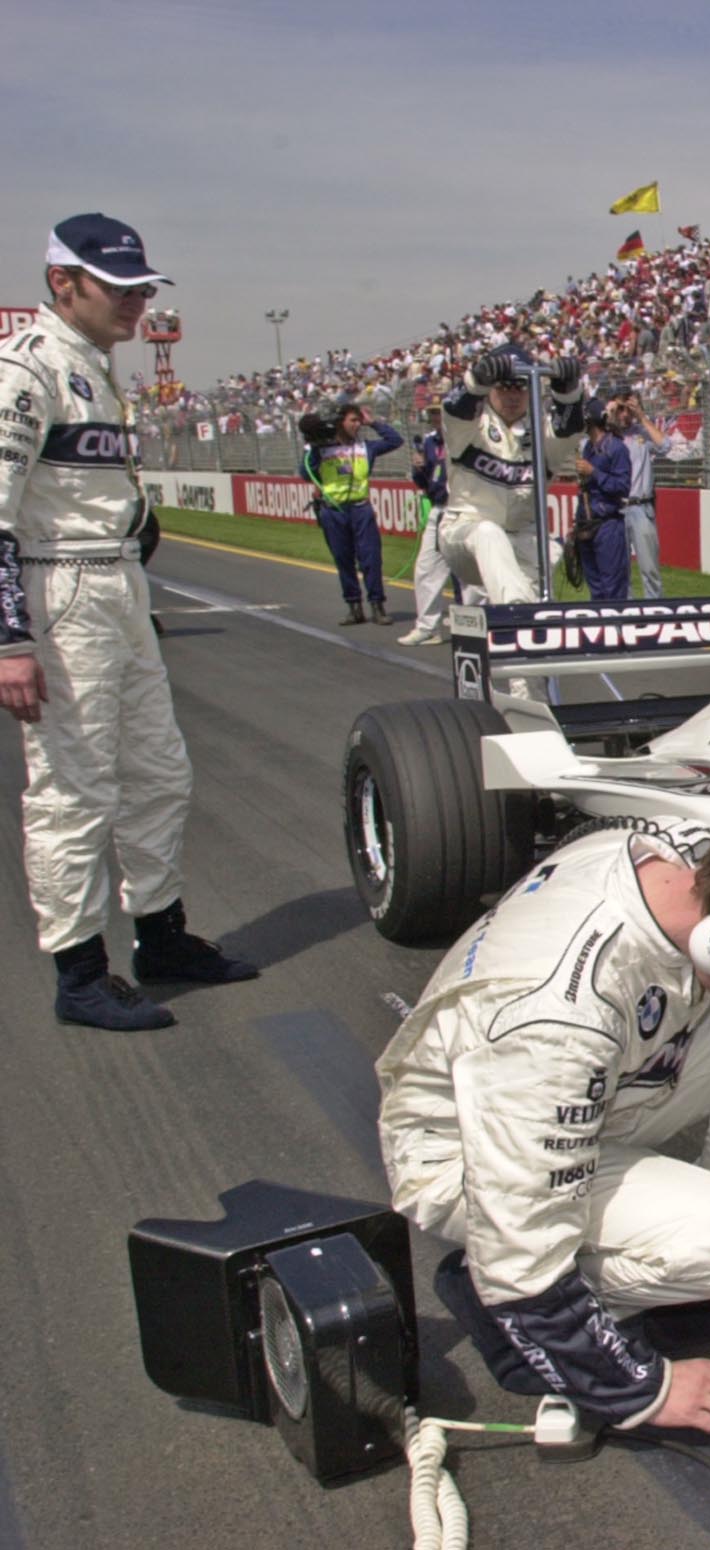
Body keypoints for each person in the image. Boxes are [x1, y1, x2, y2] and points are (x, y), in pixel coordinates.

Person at [377, 820, 710, 1432]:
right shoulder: (559, 1019)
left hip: (583, 1083)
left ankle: (691, 1281)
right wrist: (641, 1392)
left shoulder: (681, 868)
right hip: (468, 1151)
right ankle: (502, 1307)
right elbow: (522, 1252)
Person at [0, 213, 257, 1031]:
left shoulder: (97, 368)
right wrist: (9, 639)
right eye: (118, 287)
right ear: (62, 283)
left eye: (141, 287)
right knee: (74, 791)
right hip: (59, 588)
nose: (136, 302)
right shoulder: (27, 367)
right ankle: (80, 974)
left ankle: (161, 936)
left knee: (159, 772)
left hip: (115, 585)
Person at [439, 344, 586, 605]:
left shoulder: (540, 429)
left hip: (521, 537)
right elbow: (454, 410)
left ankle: (534, 627)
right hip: (465, 533)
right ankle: (517, 614)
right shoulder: (472, 426)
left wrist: (568, 391)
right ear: (490, 389)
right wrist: (478, 380)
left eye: (519, 386)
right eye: (503, 386)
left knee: (547, 558)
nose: (512, 395)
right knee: (488, 533)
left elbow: (569, 432)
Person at [301, 400, 402, 625]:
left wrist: (373, 422)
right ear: (340, 422)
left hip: (361, 509)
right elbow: (305, 474)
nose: (357, 424)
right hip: (333, 511)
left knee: (371, 559)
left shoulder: (366, 447)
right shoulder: (322, 448)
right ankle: (354, 607)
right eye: (353, 420)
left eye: (358, 420)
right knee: (343, 559)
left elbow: (396, 440)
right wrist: (315, 445)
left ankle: (377, 605)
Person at [398, 403, 460, 646]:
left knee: (470, 575)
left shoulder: (466, 436)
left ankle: (477, 625)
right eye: (433, 413)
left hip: (463, 509)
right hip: (438, 508)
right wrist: (418, 468)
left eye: (440, 412)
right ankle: (427, 627)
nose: (436, 417)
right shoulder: (430, 442)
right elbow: (423, 481)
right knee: (426, 569)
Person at [570, 401, 633, 602]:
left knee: (612, 588)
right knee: (595, 587)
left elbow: (623, 487)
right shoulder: (588, 447)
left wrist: (594, 472)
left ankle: (616, 629)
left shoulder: (616, 448)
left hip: (608, 524)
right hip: (588, 523)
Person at [607, 388, 664, 598]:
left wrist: (642, 417)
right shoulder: (607, 436)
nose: (625, 415)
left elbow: (666, 445)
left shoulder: (641, 433)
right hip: (617, 509)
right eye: (620, 409)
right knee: (620, 571)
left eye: (629, 409)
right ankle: (626, 616)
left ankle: (656, 614)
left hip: (641, 506)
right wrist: (608, 414)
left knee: (650, 570)